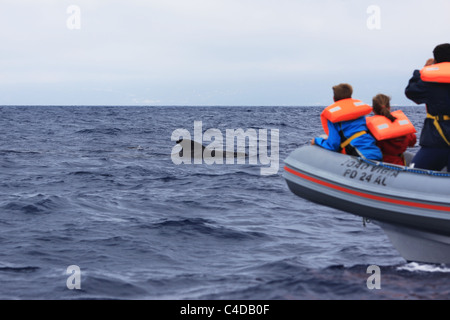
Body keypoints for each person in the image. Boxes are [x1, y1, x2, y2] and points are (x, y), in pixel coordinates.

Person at [405, 43, 450, 171]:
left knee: (414, 173)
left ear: (435, 60)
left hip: (435, 140)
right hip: (435, 140)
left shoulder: (429, 82)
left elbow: (411, 92)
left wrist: (422, 71)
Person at [312, 84, 383, 161]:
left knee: (321, 138)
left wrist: (316, 141)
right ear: (350, 97)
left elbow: (333, 145)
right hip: (376, 152)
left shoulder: (334, 118)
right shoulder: (359, 113)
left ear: (334, 98)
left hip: (361, 156)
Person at [367, 94, 417, 165]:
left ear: (373, 110)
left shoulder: (370, 128)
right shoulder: (402, 128)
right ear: (389, 108)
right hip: (399, 164)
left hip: (378, 165)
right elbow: (412, 142)